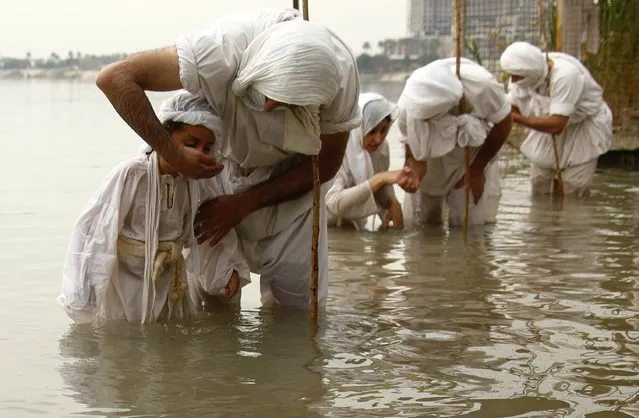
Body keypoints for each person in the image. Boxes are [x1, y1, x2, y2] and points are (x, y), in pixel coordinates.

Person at [95, 9, 361, 310]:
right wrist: (175, 154)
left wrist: (246, 203)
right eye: (267, 94)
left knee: (296, 314)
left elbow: (326, 164)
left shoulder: (342, 78)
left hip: (295, 188)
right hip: (220, 174)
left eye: (287, 104)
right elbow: (115, 78)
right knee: (214, 304)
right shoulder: (219, 50)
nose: (271, 106)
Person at [57, 91, 250, 324]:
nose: (198, 154)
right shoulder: (132, 174)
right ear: (163, 138)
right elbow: (95, 234)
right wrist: (83, 297)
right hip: (126, 286)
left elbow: (209, 228)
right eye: (190, 144)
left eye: (206, 148)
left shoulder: (198, 180)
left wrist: (225, 269)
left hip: (170, 284)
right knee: (124, 345)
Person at [395, 58, 513, 227]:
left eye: (430, 117)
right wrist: (414, 172)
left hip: (470, 153)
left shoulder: (482, 87)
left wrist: (477, 169)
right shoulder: (406, 106)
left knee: (467, 226)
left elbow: (504, 124)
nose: (425, 121)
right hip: (429, 155)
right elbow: (412, 153)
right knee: (418, 224)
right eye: (422, 118)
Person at [500, 41, 613, 197]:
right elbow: (513, 106)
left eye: (516, 76)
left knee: (573, 189)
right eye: (511, 75)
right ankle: (543, 220)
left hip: (581, 127)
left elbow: (557, 125)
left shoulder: (565, 76)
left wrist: (516, 119)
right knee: (539, 184)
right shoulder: (522, 77)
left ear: (530, 73)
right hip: (544, 127)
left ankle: (569, 219)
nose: (512, 81)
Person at [325, 92, 403, 230]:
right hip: (327, 230)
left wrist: (392, 201)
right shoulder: (338, 148)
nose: (378, 139)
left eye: (384, 130)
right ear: (358, 128)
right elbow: (333, 202)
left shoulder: (381, 149)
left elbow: (381, 180)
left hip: (355, 227)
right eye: (372, 131)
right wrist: (380, 179)